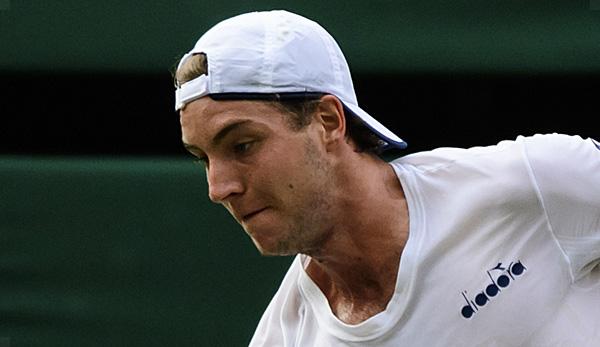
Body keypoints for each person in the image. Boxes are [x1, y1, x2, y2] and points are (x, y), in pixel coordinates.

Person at [173, 10, 600, 346]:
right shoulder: (287, 338)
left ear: (327, 121)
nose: (218, 188)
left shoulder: (538, 181)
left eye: (242, 145)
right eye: (203, 159)